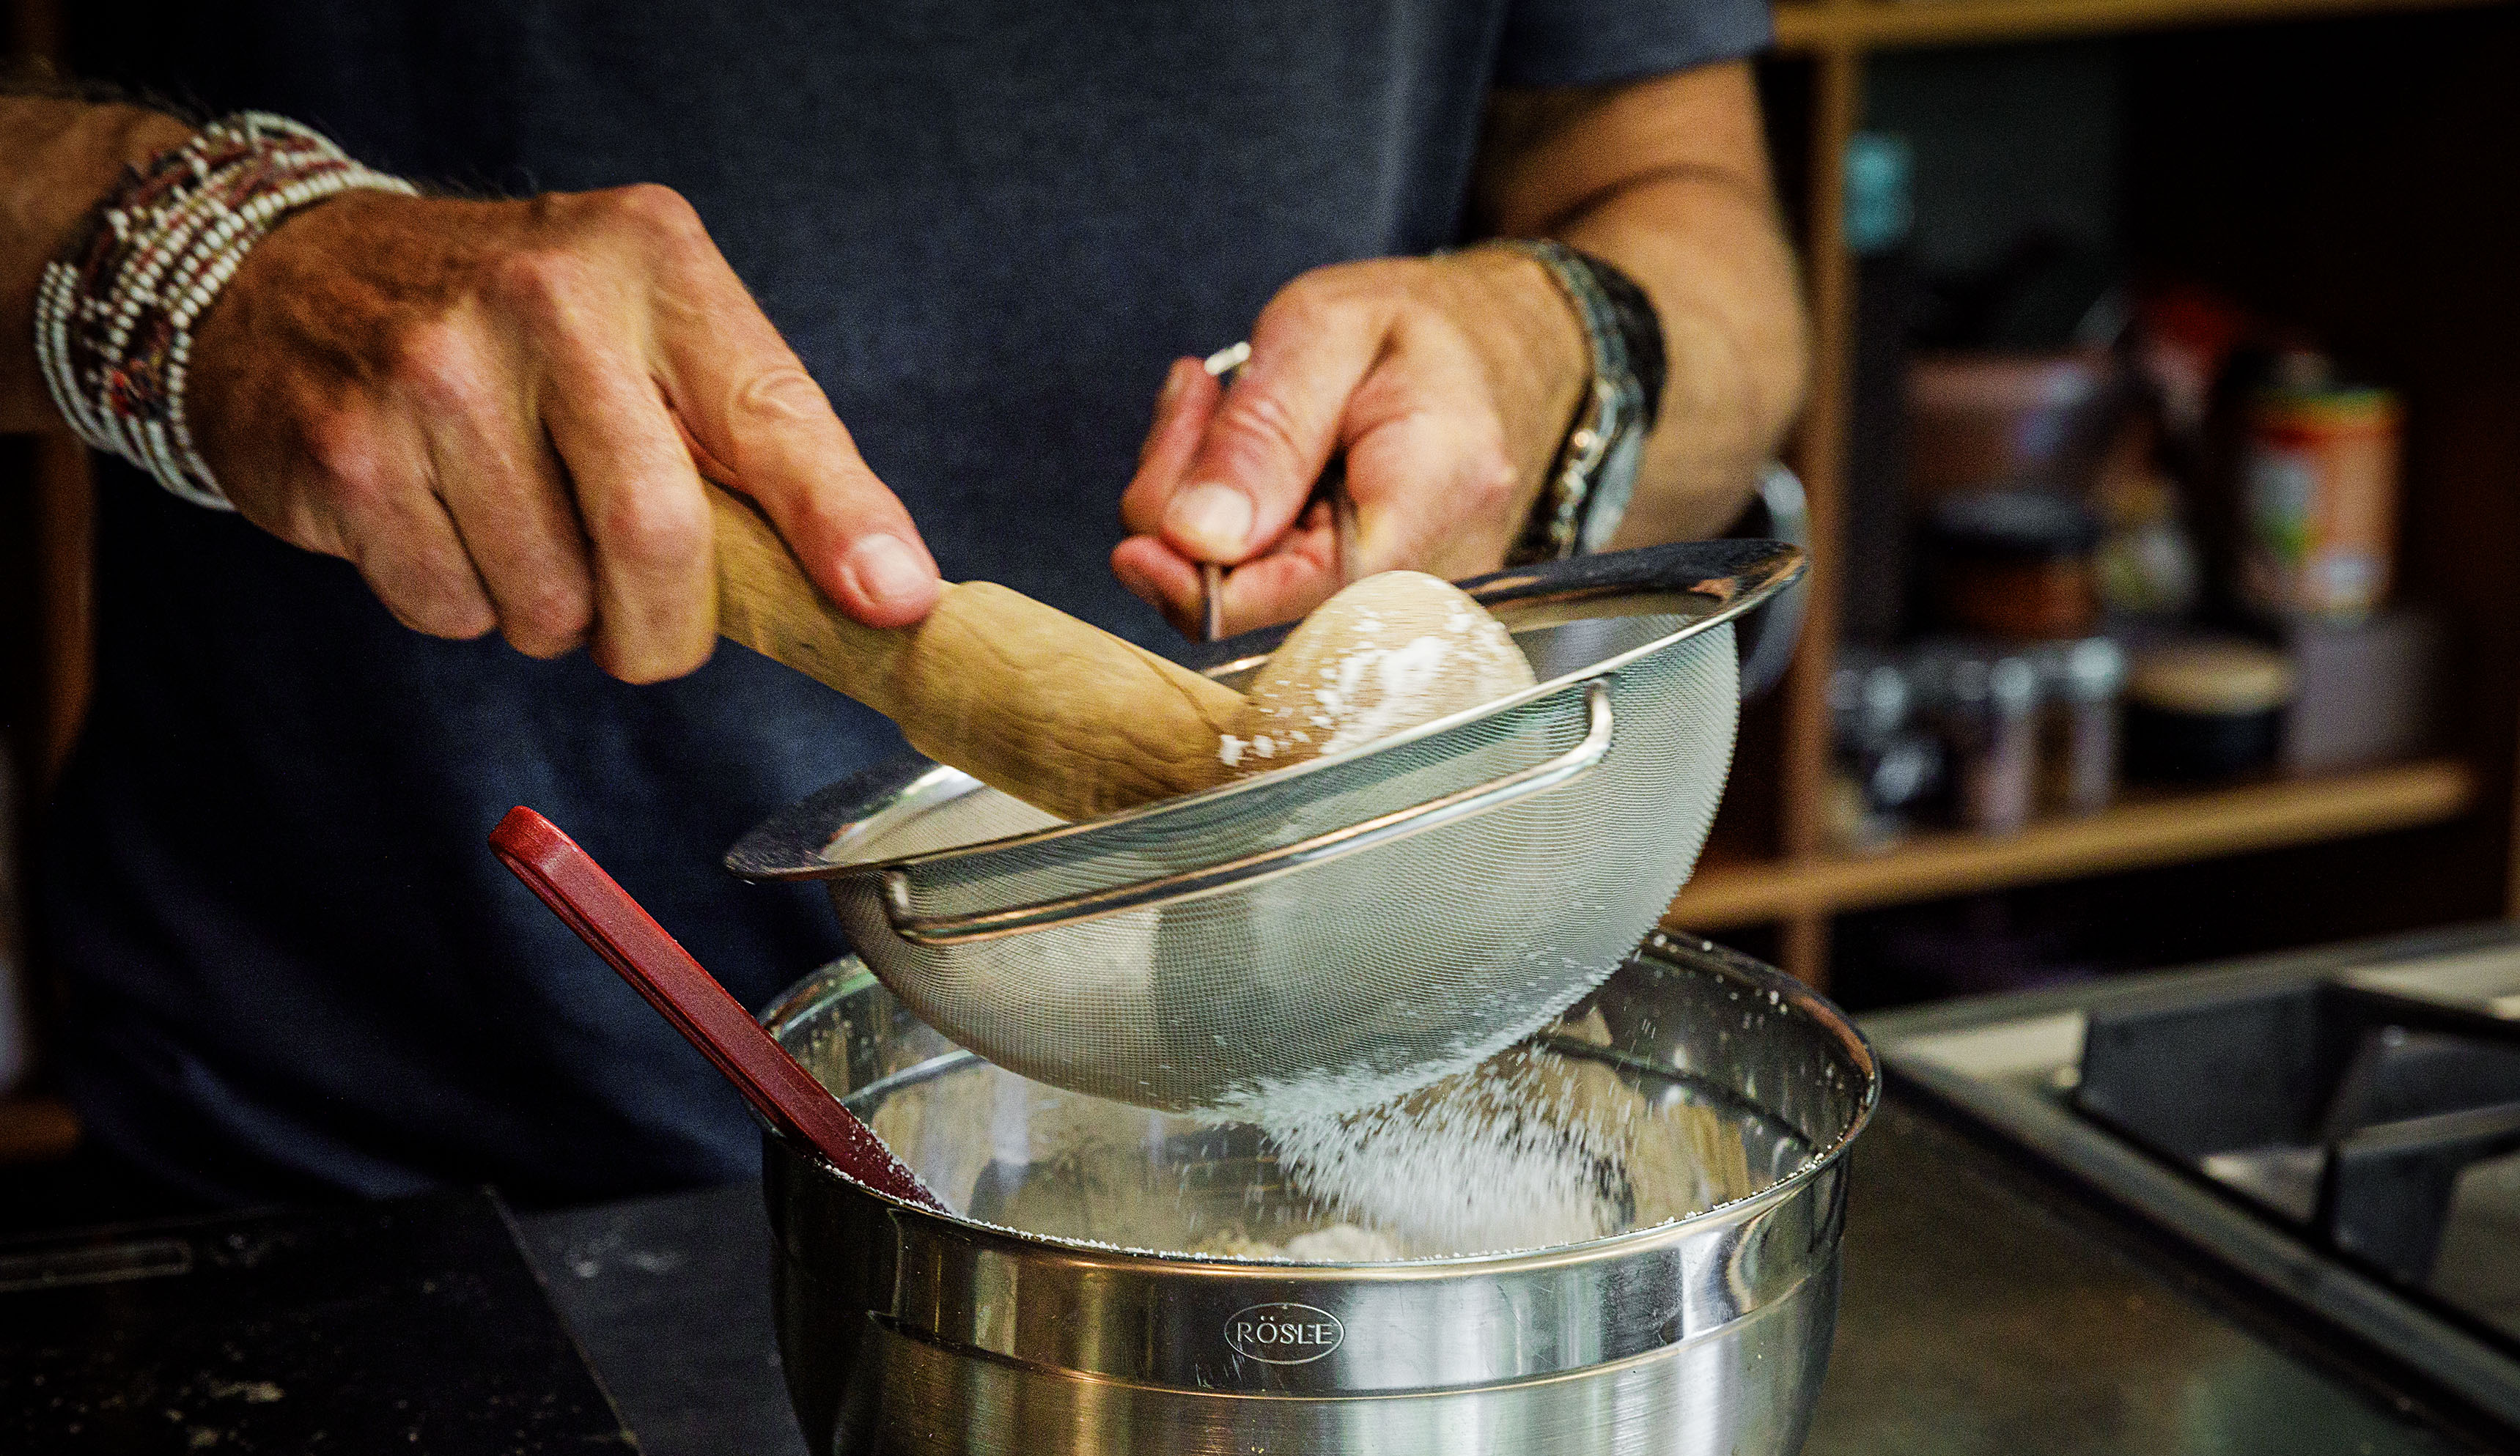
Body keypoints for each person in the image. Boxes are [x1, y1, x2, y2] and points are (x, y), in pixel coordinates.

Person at [0, 4, 1803, 1208]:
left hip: (1262, 1138)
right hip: (370, 1170)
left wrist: (1556, 343)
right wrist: (204, 264)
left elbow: (1695, 221)